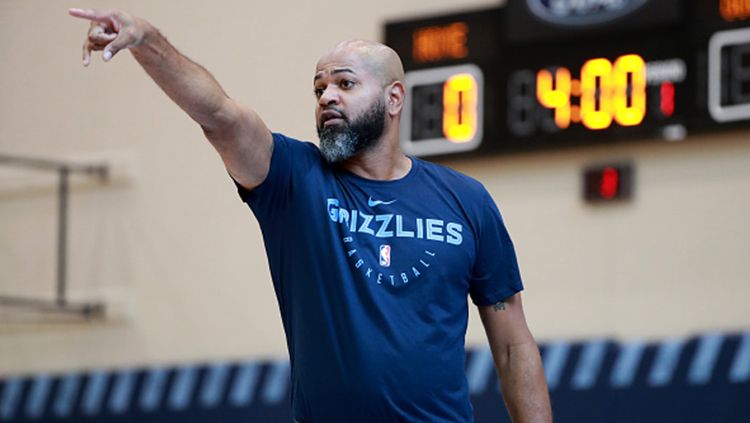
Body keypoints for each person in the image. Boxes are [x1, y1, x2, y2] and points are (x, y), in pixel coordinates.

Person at [69, 7, 552, 423]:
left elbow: (513, 345)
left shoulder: (466, 199)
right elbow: (219, 114)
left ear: (394, 98)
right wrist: (147, 39)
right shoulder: (294, 179)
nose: (326, 98)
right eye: (319, 88)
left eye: (344, 83)